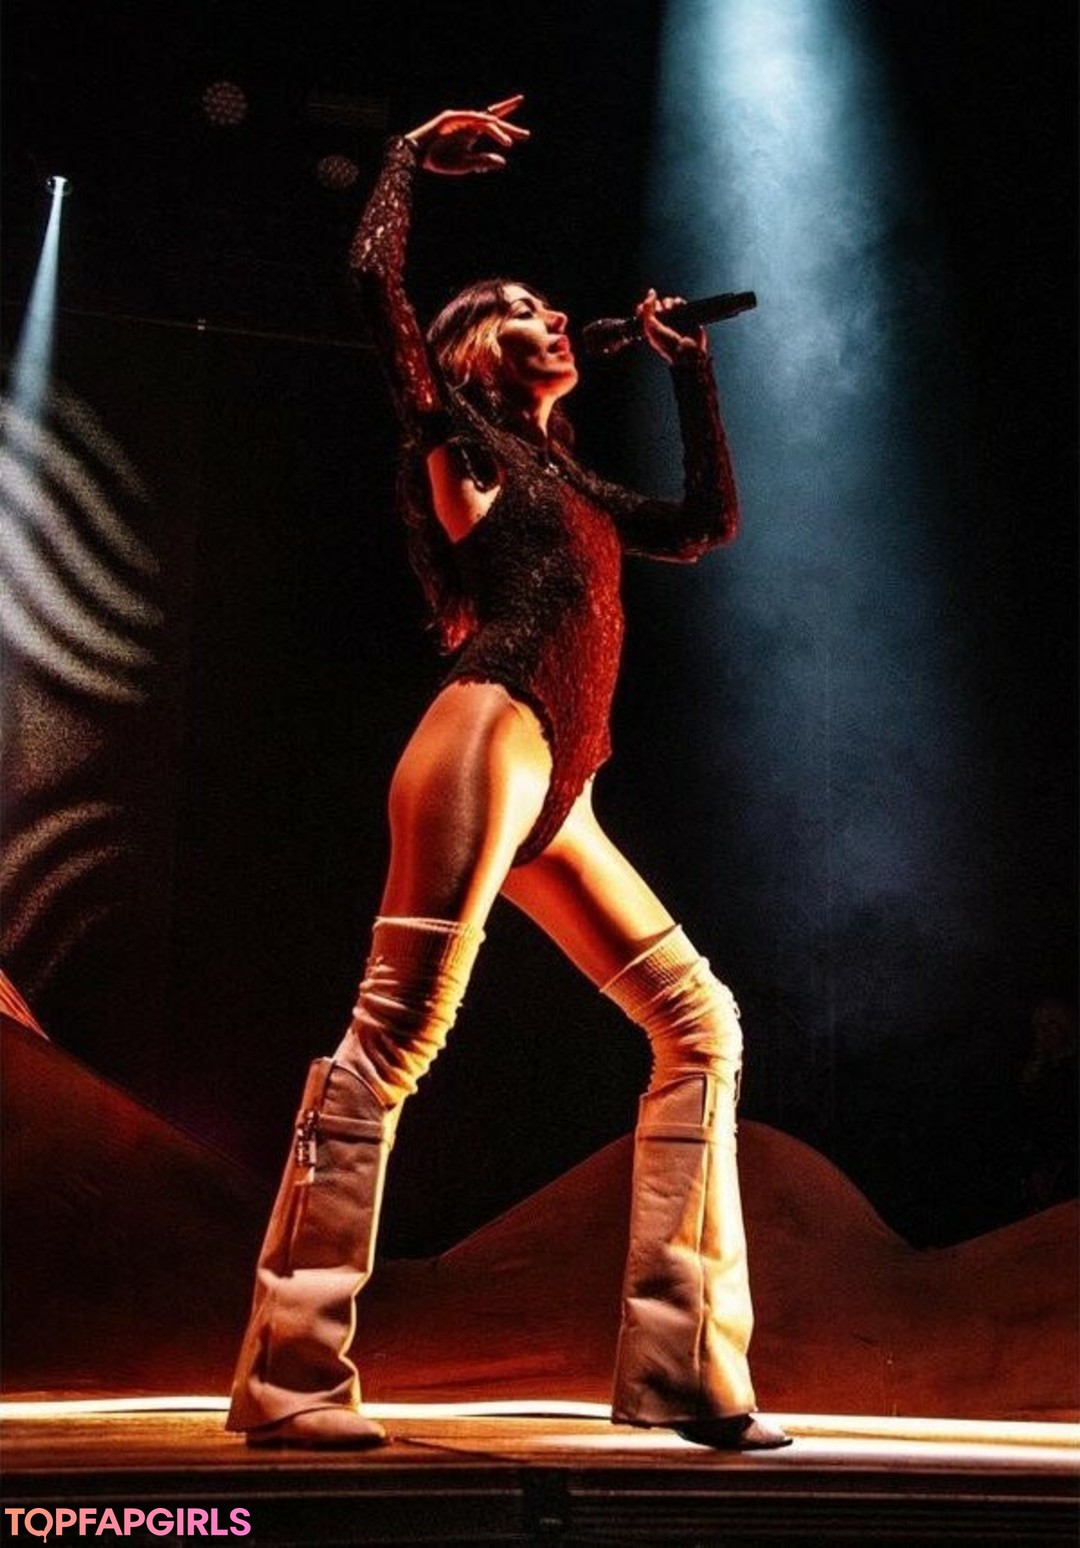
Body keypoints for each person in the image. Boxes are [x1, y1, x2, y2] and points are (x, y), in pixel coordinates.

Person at [225, 97, 791, 1453]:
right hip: (489, 736)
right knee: (396, 1037)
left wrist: (689, 371)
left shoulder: (569, 482)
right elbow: (375, 288)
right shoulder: (457, 438)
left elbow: (706, 524)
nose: (551, 318)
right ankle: (289, 1377)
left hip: (562, 786)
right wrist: (406, 160)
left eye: (553, 307)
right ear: (479, 348)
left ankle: (684, 1372)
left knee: (700, 1026)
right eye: (523, 308)